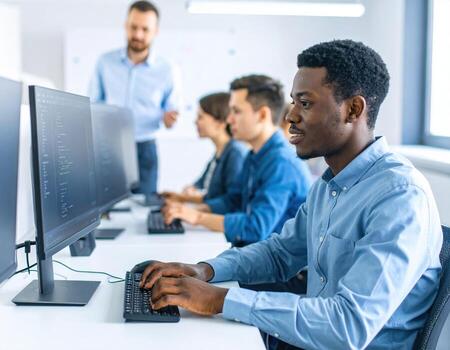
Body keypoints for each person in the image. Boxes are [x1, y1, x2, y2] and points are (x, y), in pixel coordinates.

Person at [138, 40, 443, 349]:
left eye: (305, 104)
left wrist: (220, 299)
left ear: (353, 109)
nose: (290, 117)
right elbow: (279, 253)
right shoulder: (328, 186)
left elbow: (347, 326)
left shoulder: (400, 197)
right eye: (293, 103)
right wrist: (205, 270)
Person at [162, 74, 312, 246]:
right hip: (256, 254)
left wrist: (197, 217)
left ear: (262, 115)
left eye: (236, 111)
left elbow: (255, 227)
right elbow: (234, 200)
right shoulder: (255, 154)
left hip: (281, 267)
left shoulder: (282, 163)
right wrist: (187, 211)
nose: (229, 119)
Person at [89, 1, 180, 200]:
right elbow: (93, 105)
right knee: (106, 206)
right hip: (110, 148)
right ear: (125, 25)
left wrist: (169, 119)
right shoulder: (105, 62)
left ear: (155, 31)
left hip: (145, 148)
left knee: (144, 206)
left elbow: (171, 109)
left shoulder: (167, 69)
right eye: (133, 27)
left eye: (145, 29)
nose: (138, 35)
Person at [162, 92, 248, 204]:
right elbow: (203, 183)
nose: (195, 122)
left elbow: (231, 202)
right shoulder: (220, 152)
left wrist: (190, 208)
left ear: (220, 122)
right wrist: (183, 195)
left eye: (200, 117)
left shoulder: (235, 153)